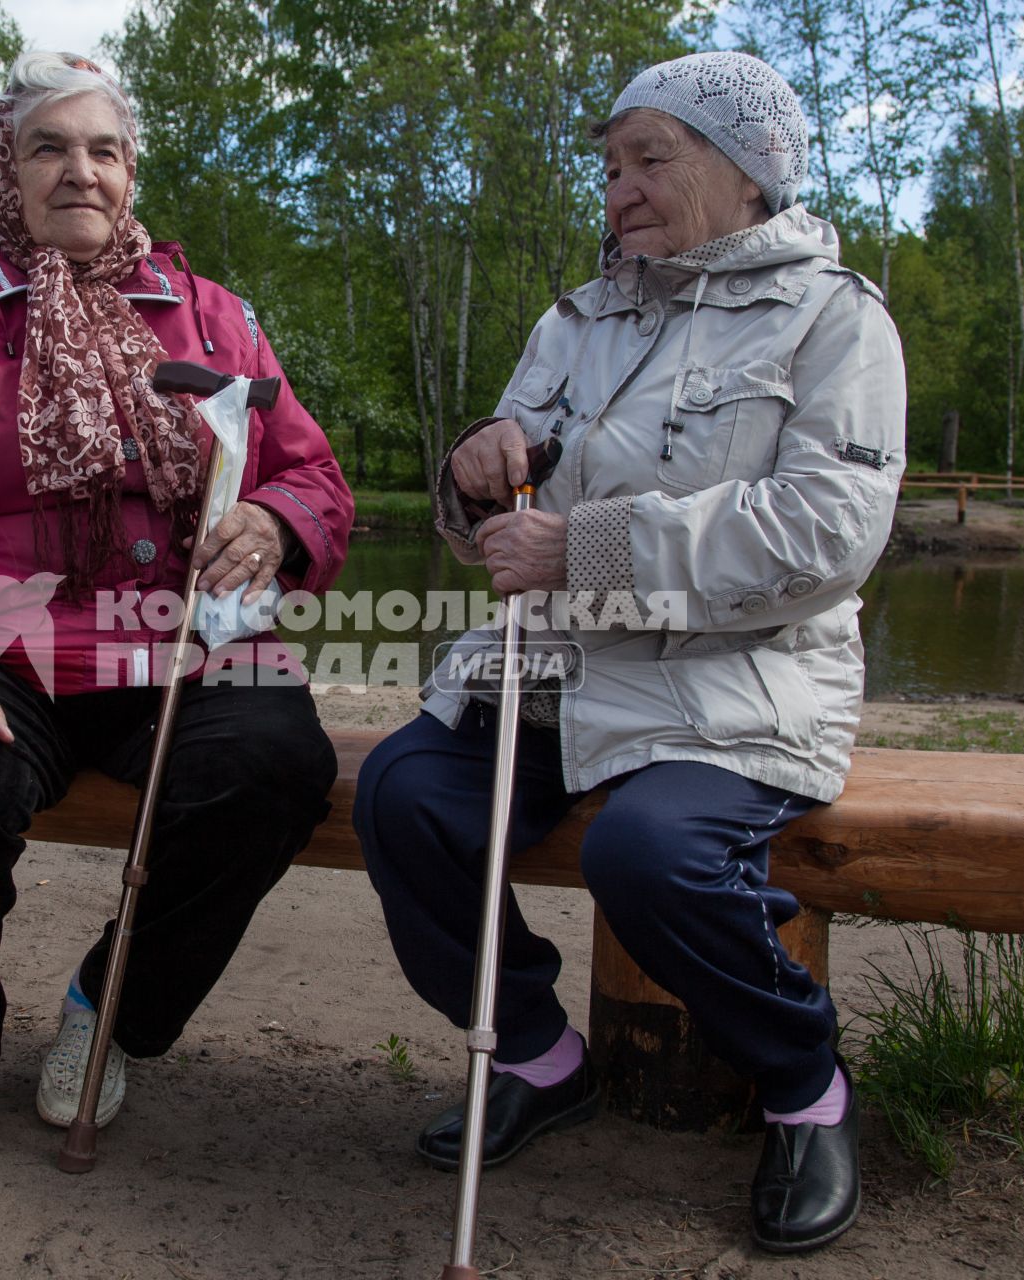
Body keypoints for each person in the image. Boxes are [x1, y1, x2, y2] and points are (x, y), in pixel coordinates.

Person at [354, 51, 905, 1253]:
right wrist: (475, 465)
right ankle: (546, 1059)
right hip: (556, 664)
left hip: (734, 675)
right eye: (610, 166)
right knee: (399, 793)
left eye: (651, 158)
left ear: (746, 173)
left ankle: (805, 1084)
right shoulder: (577, 319)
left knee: (650, 855)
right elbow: (496, 526)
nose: (620, 190)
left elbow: (827, 535)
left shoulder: (834, 316)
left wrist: (588, 548)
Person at [0, 51, 352, 1158]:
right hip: (2, 640)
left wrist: (274, 523)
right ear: (3, 172)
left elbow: (308, 472)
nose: (79, 171)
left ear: (129, 172)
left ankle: (107, 1010)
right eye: (47, 147)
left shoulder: (213, 317)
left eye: (102, 149)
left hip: (181, 641)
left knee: (276, 769)